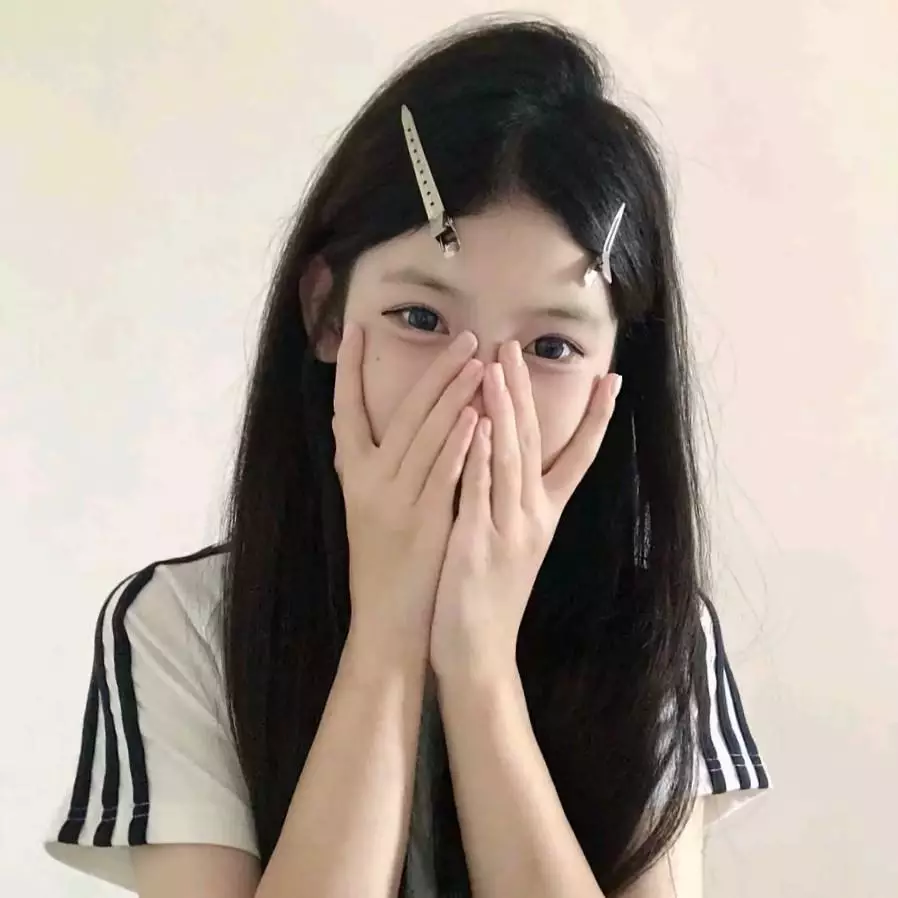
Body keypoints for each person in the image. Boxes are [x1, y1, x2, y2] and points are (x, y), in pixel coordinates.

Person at [44, 15, 770, 898]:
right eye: (421, 319)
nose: (480, 394)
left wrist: (480, 665)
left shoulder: (656, 634)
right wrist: (387, 630)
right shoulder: (185, 625)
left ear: (617, 371)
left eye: (551, 346)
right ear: (325, 312)